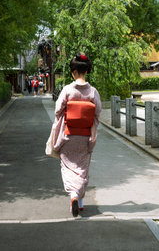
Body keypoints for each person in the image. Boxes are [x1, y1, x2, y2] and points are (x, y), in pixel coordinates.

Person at [49, 53, 101, 217]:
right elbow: (98, 113)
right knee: (82, 168)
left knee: (68, 167)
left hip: (68, 134)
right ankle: (79, 201)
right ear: (86, 71)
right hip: (85, 136)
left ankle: (73, 196)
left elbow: (58, 110)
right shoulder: (93, 92)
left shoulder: (67, 90)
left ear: (73, 72)